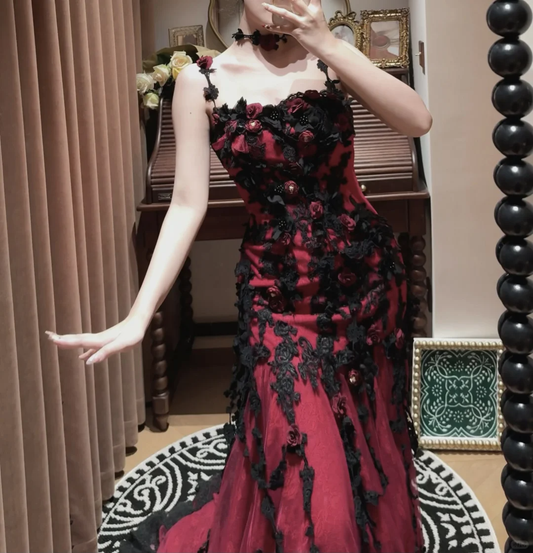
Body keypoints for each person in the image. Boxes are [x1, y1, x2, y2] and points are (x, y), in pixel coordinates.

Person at [47, 0, 432, 551]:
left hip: (367, 287)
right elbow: (186, 204)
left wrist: (328, 44)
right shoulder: (199, 82)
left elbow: (417, 120)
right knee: (314, 496)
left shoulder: (331, 58)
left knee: (367, 438)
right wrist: (139, 314)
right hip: (278, 301)